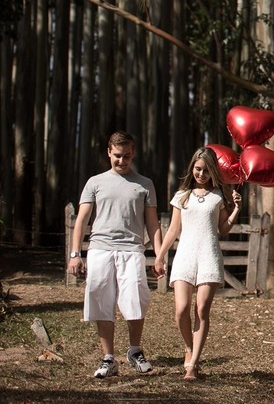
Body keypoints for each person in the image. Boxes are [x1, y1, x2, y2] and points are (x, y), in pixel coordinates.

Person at [67, 131, 163, 379]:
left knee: (135, 300)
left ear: (133, 154)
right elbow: (82, 220)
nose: (122, 161)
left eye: (127, 156)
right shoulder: (95, 182)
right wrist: (75, 254)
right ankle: (108, 358)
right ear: (109, 152)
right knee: (100, 301)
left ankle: (134, 350)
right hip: (100, 248)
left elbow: (153, 224)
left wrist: (160, 254)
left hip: (131, 250)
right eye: (117, 156)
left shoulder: (145, 184)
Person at [154, 146, 242, 380]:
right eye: (197, 169)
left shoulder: (217, 198)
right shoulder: (182, 196)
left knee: (201, 309)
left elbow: (223, 229)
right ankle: (189, 346)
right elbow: (173, 229)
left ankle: (192, 364)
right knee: (181, 310)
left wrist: (235, 211)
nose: (201, 174)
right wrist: (161, 255)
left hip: (209, 256)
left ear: (213, 172)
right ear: (192, 168)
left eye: (205, 170)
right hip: (185, 255)